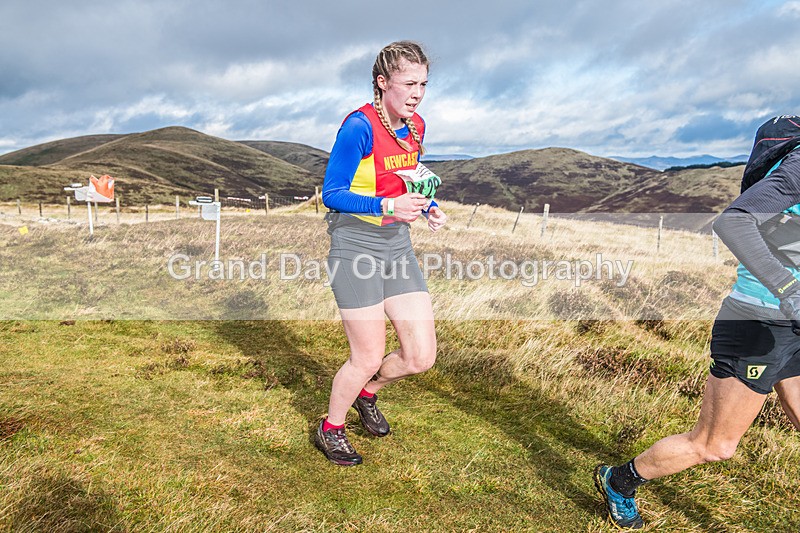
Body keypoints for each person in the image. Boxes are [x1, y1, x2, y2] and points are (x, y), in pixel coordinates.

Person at [594, 115, 800, 529]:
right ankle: (619, 480)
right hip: (758, 323)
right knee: (713, 444)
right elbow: (733, 222)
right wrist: (788, 288)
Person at [315, 41, 447, 466]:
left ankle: (366, 393)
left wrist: (426, 205)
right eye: (409, 83)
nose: (417, 92)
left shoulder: (417, 126)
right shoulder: (359, 126)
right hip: (355, 248)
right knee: (367, 354)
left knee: (420, 356)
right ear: (382, 82)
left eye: (423, 83)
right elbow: (331, 194)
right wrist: (387, 207)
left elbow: (404, 179)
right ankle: (330, 427)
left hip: (397, 247)